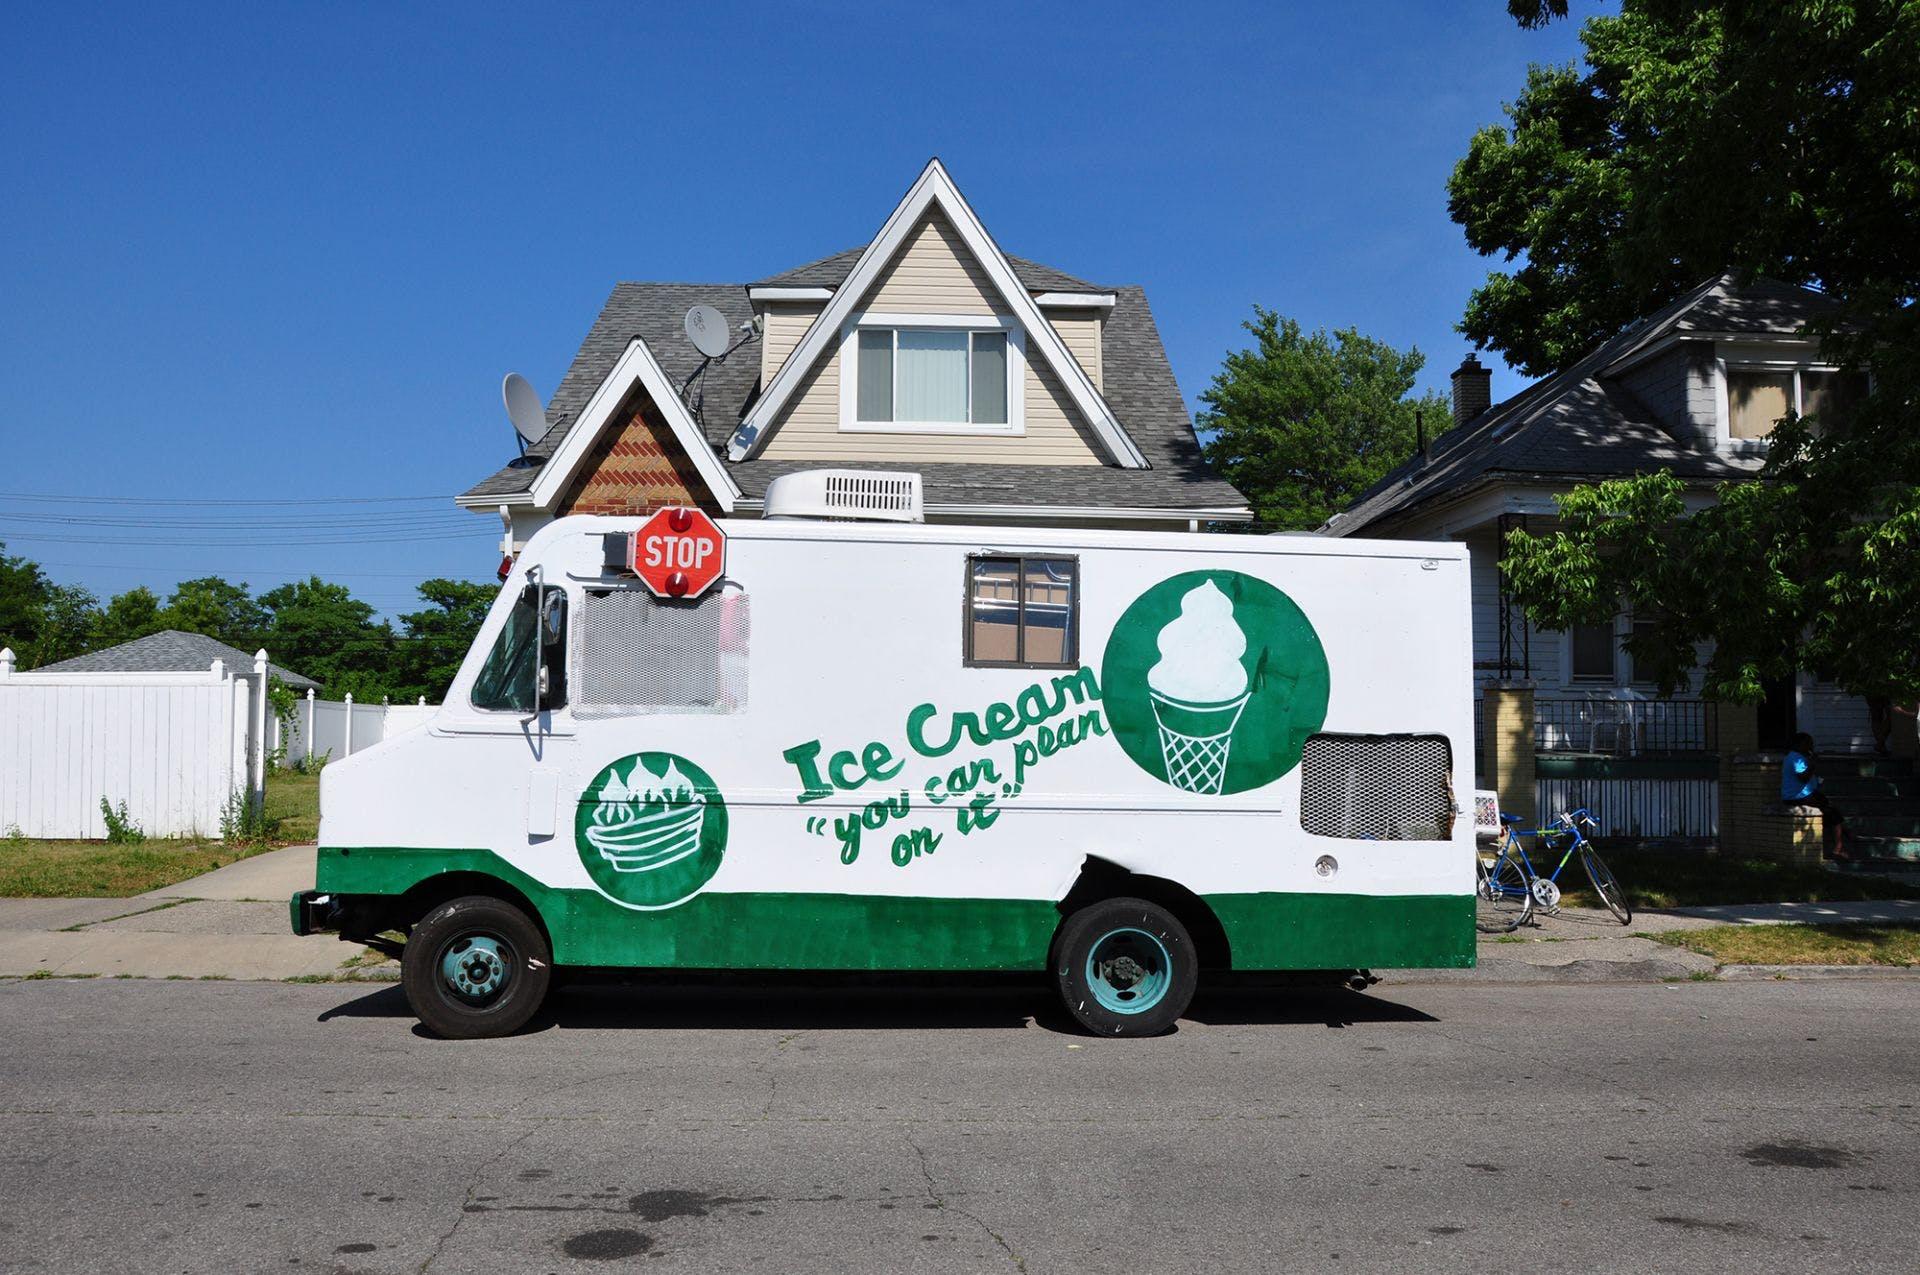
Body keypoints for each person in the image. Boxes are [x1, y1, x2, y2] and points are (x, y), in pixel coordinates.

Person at [1781, 732, 1848, 859]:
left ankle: (1844, 834)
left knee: (1829, 809)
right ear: (1800, 744)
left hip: (1801, 795)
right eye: (1808, 744)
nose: (1811, 746)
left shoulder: (1794, 757)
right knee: (1834, 815)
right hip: (1798, 797)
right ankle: (1838, 849)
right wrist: (1812, 763)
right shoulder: (1797, 758)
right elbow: (1803, 777)